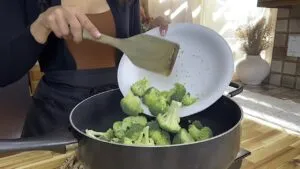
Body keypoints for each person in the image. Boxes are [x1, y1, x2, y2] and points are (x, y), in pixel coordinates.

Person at [0, 0, 169, 137]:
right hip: (55, 123)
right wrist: (41, 26)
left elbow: (132, 57)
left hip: (119, 121)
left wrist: (152, 37)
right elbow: (5, 71)